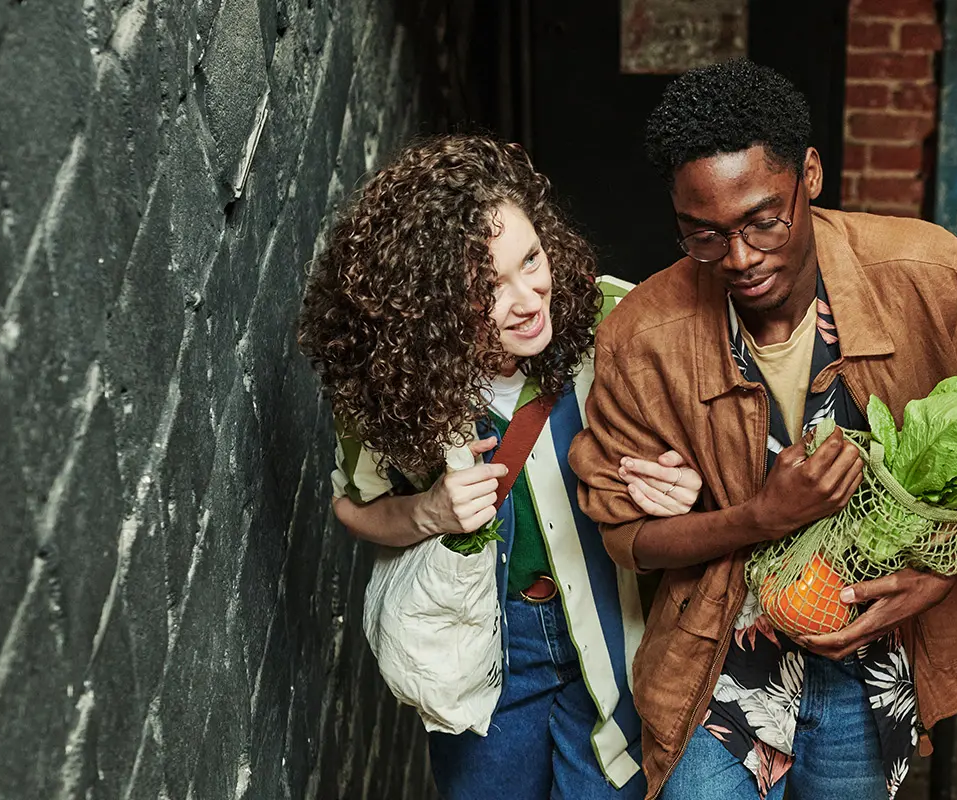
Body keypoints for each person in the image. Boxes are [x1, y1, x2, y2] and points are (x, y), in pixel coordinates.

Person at [569, 60, 957, 800]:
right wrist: (761, 517)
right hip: (719, 657)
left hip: (871, 659)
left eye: (762, 221)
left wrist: (940, 573)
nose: (739, 259)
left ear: (809, 174)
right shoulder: (644, 335)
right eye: (702, 237)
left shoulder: (925, 271)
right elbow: (628, 539)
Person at [297, 134, 706, 800]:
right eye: (488, 287)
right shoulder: (393, 384)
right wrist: (429, 511)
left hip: (616, 630)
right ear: (425, 307)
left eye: (531, 259)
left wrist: (688, 483)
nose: (527, 297)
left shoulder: (616, 315)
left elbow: (717, 437)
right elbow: (354, 506)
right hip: (486, 649)